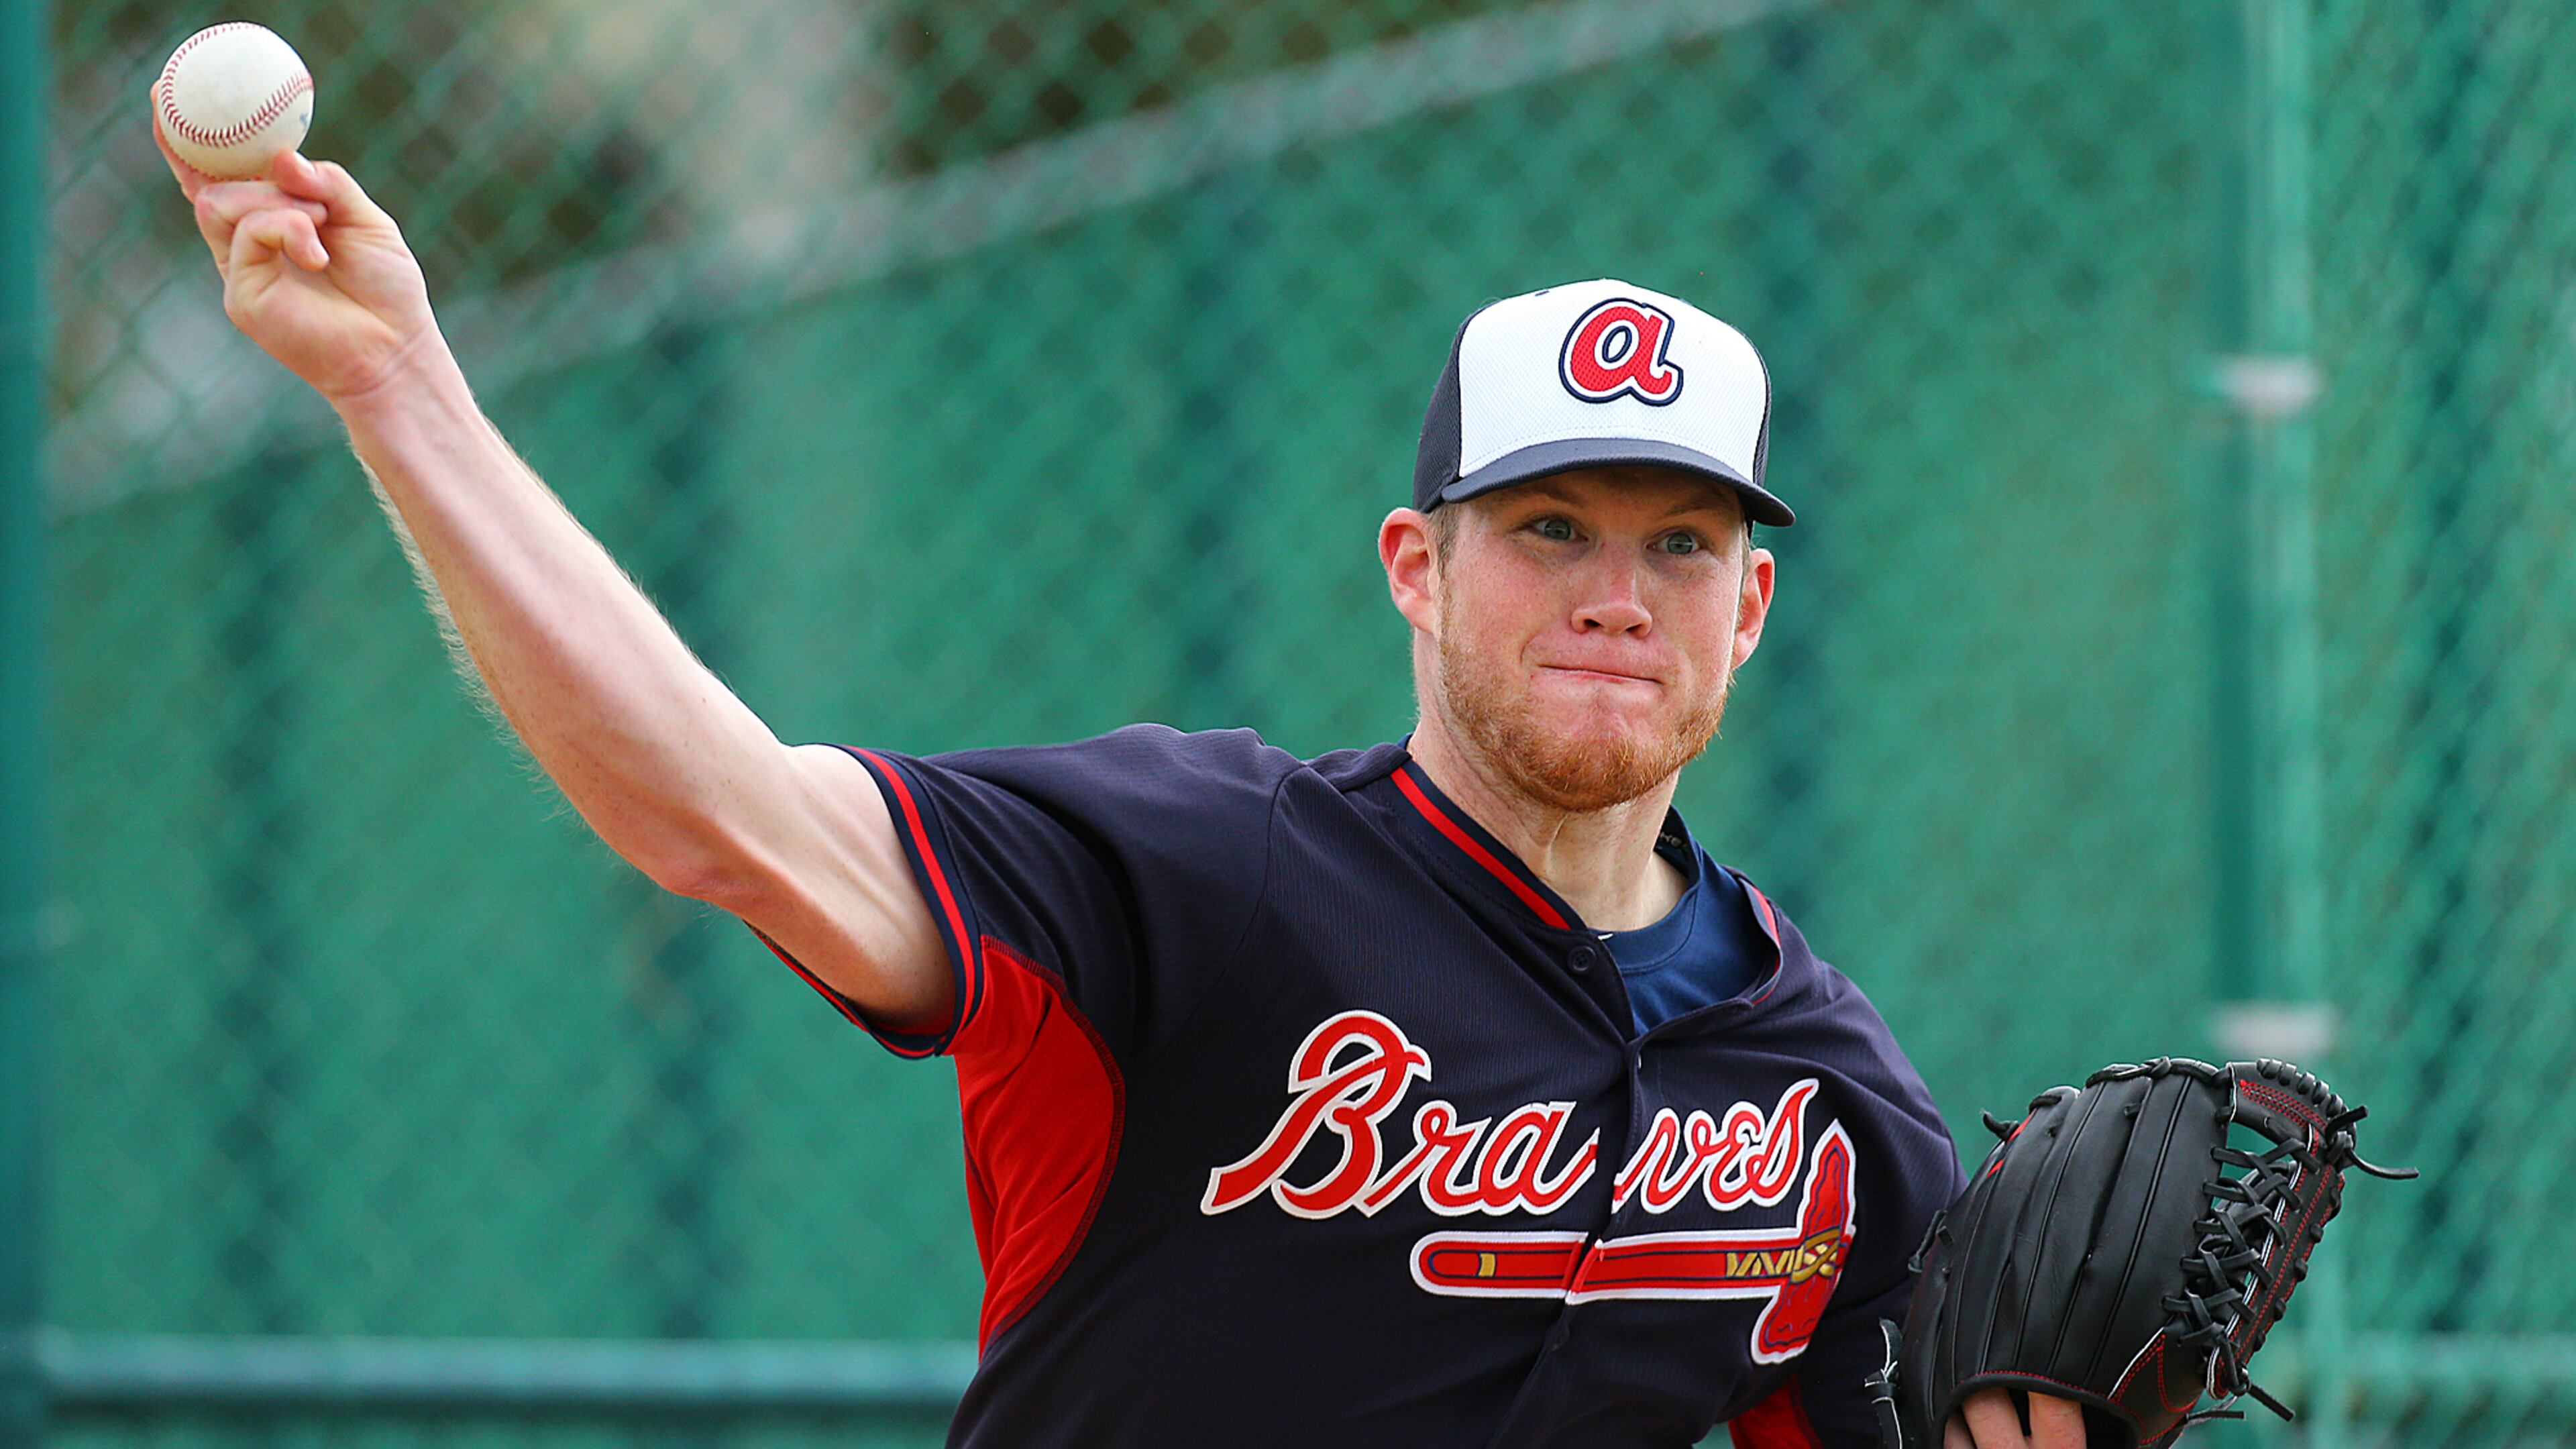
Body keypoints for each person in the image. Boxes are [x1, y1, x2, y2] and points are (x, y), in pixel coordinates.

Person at [157, 131, 2092, 1449]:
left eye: (1680, 547)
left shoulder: (1827, 1097)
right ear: (1415, 567)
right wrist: (399, 386)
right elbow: (713, 812)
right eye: (1551, 524)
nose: (1613, 592)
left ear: (1750, 608)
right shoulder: (1204, 873)